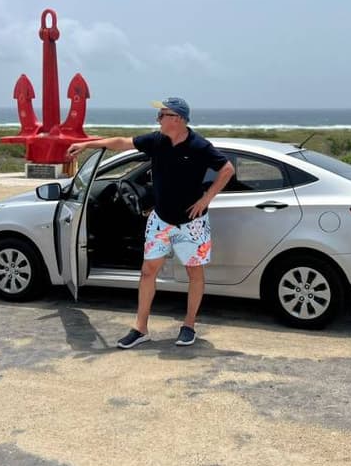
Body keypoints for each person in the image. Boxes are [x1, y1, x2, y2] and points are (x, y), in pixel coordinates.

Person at [67, 97, 235, 348]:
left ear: (177, 119)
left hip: (192, 224)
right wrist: (86, 144)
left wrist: (206, 199)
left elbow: (227, 169)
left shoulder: (199, 145)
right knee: (147, 272)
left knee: (194, 273)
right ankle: (140, 328)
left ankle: (189, 326)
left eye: (162, 115)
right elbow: (122, 143)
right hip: (161, 221)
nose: (158, 119)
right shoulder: (157, 141)